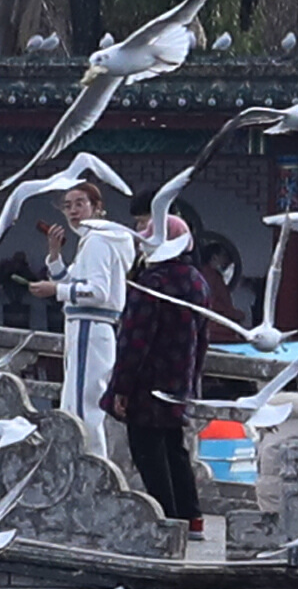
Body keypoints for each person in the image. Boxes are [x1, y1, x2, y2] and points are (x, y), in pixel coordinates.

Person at [108, 215, 219, 519]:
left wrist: (121, 387)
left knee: (148, 451)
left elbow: (134, 339)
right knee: (174, 448)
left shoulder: (152, 283)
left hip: (147, 381)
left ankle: (166, 520)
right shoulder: (197, 281)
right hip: (179, 380)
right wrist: (193, 381)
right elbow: (203, 339)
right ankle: (191, 517)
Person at [54, 181, 130, 425]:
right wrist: (54, 256)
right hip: (85, 327)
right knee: (75, 403)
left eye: (80, 204)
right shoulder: (90, 241)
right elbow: (71, 281)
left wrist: (56, 290)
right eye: (68, 206)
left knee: (84, 408)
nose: (73, 211)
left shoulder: (97, 241)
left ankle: (88, 450)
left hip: (90, 327)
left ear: (97, 207)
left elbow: (98, 292)